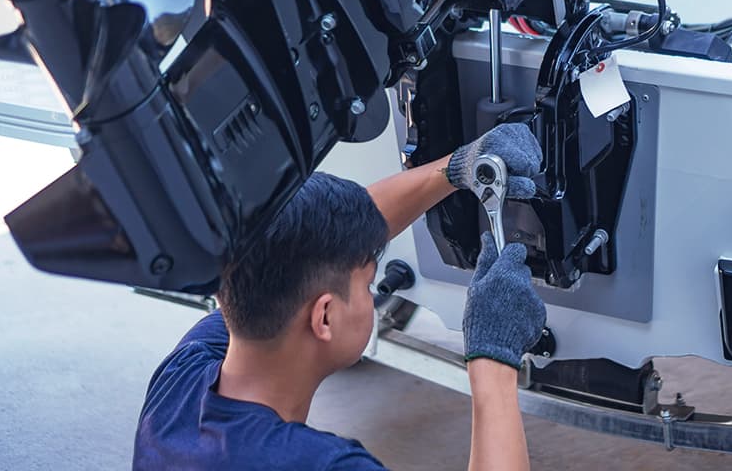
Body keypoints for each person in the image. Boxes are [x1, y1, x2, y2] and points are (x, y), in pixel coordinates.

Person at [132, 123, 547, 471]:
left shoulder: (180, 380)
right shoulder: (323, 464)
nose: (371, 295)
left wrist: (455, 168)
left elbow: (303, 246)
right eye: (367, 285)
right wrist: (492, 362)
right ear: (324, 317)